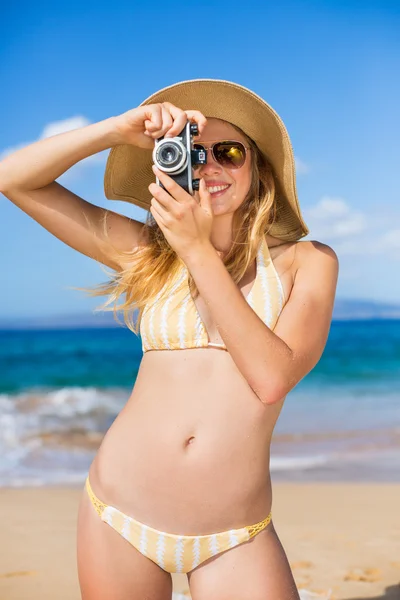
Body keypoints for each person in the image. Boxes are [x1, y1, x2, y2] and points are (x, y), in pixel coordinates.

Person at [0, 78, 338, 600]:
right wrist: (118, 130)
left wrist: (198, 250)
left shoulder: (307, 262)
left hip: (234, 536)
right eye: (193, 153)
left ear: (258, 166)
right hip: (117, 515)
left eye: (229, 152)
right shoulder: (148, 254)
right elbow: (14, 179)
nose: (209, 167)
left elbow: (271, 379)